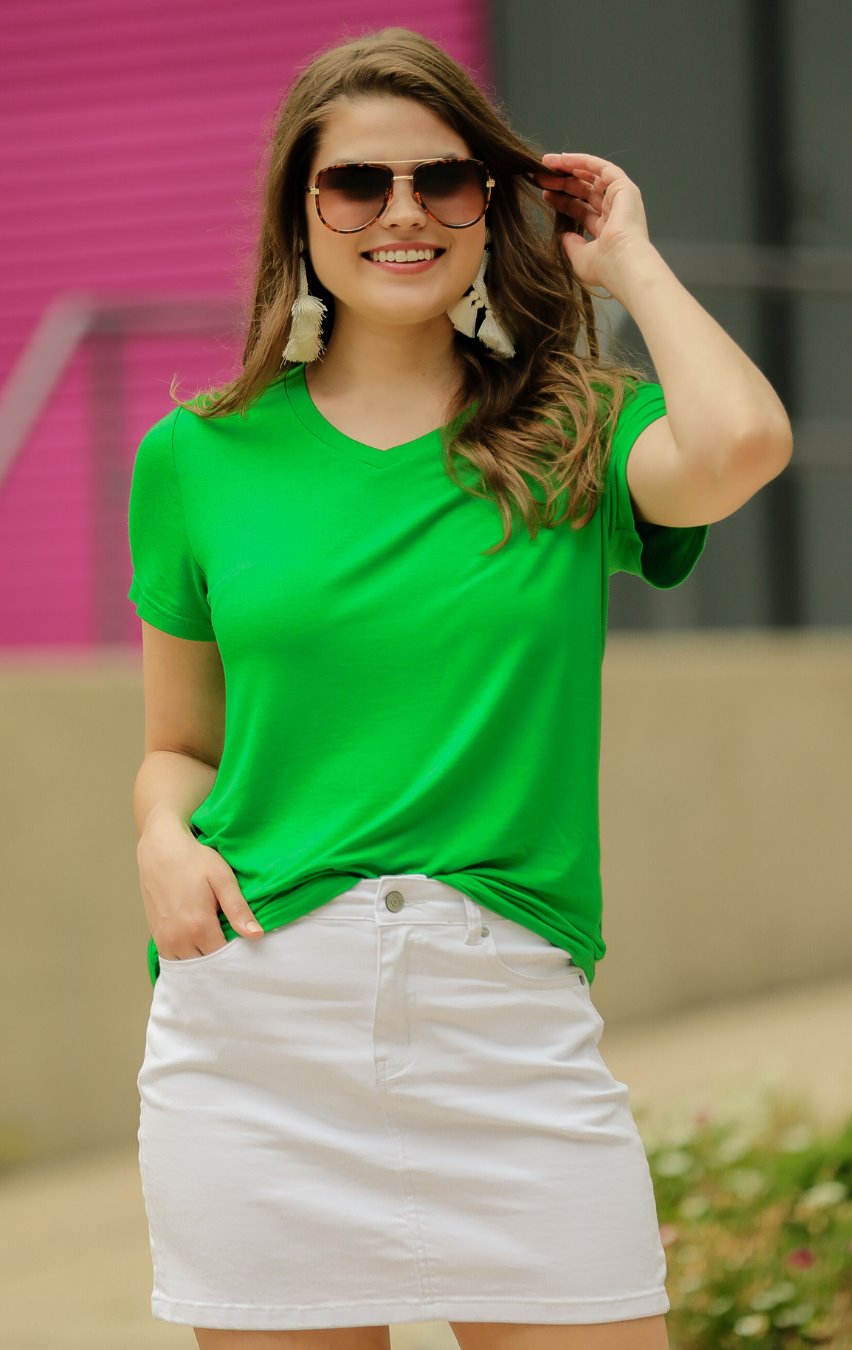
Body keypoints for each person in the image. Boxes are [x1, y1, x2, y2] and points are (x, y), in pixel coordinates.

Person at [127, 26, 792, 1350]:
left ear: (491, 204)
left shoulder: (578, 424)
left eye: (444, 179)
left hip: (509, 1026)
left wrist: (630, 263)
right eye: (358, 184)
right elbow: (179, 746)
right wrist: (158, 834)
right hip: (258, 1031)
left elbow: (742, 441)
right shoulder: (195, 456)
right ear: (301, 214)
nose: (404, 212)